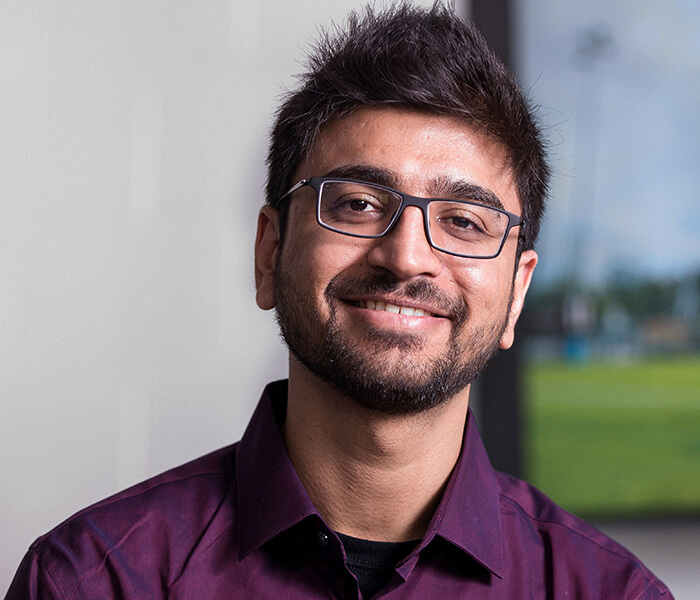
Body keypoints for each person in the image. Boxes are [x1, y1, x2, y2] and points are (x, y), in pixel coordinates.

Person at [5, 3, 673, 599]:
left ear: (518, 290)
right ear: (269, 252)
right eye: (356, 204)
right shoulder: (92, 580)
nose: (407, 256)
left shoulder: (610, 591)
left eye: (464, 222)